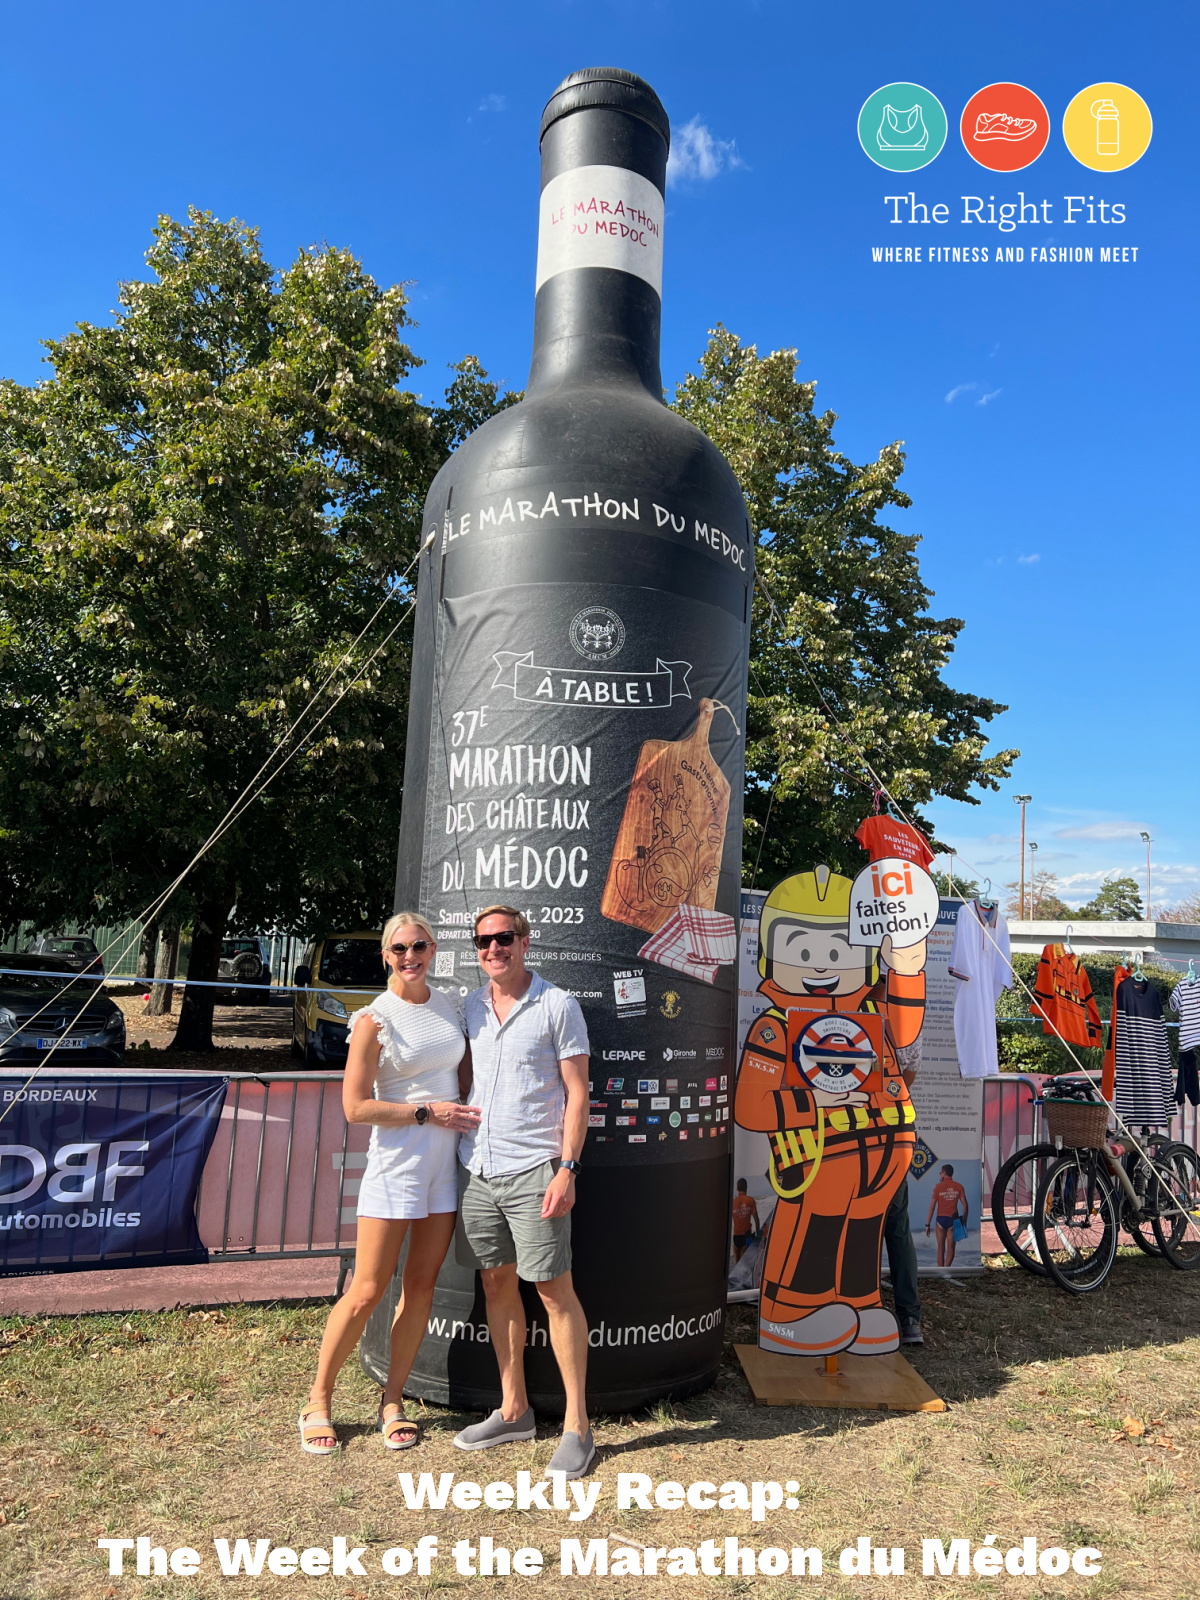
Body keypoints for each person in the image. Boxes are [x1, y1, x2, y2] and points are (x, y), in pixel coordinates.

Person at [298, 913, 480, 1455]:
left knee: (421, 1288)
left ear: (433, 949)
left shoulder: (450, 1005)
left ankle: (393, 1399)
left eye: (419, 945)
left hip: (443, 1170)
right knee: (367, 1290)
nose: (410, 956)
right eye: (399, 948)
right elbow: (355, 1107)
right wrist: (428, 1112)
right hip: (395, 1167)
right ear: (385, 955)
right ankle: (317, 1400)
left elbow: (464, 1077)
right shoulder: (374, 1019)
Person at [452, 905, 593, 1479]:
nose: (494, 948)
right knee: (496, 1284)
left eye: (504, 938)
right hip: (477, 1169)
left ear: (525, 942)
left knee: (555, 1293)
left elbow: (578, 1093)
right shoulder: (470, 1006)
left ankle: (578, 1427)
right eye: (484, 940)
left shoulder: (558, 1005)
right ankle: (514, 1411)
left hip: (537, 1170)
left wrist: (568, 1169)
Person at [926, 1164, 969, 1268]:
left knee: (940, 1249)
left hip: (940, 1220)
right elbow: (965, 1205)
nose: (940, 1174)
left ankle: (940, 1272)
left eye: (940, 1172)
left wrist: (928, 1224)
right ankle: (947, 1270)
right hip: (953, 1220)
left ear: (944, 1173)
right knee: (951, 1249)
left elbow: (932, 1207)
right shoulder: (959, 1186)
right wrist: (964, 1221)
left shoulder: (938, 1187)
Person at [732, 1179, 759, 1263]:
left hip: (736, 1237)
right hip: (746, 1236)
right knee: (745, 1265)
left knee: (737, 1266)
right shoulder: (750, 1201)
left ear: (737, 1188)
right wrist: (758, 1235)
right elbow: (756, 1219)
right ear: (746, 1187)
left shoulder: (733, 1202)